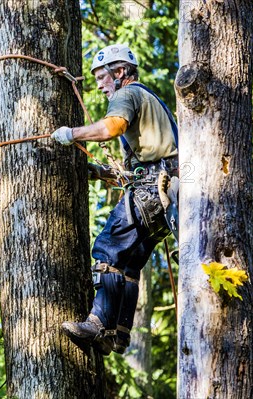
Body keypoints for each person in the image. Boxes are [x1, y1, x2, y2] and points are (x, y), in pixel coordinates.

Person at [51, 44, 178, 355]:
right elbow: (140, 165)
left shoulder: (128, 94)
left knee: (108, 250)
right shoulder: (150, 102)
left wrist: (72, 133)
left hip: (152, 189)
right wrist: (101, 172)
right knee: (129, 263)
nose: (98, 84)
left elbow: (112, 127)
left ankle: (98, 325)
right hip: (168, 196)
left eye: (102, 77)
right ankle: (118, 334)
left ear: (120, 72)